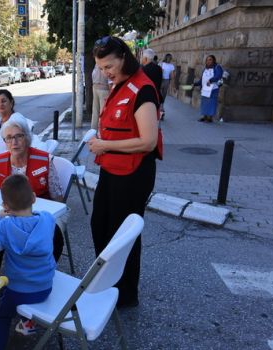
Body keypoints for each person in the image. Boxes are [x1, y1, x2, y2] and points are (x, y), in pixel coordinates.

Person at [87, 36, 163, 309]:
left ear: (124, 57)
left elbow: (148, 141)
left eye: (109, 66)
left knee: (123, 235)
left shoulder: (143, 88)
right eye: (101, 68)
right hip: (112, 169)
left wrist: (105, 144)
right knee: (100, 224)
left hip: (133, 174)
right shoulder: (120, 84)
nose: (105, 72)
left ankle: (125, 293)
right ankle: (107, 281)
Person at [0, 174, 56, 350]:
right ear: (34, 198)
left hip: (17, 289)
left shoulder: (6, 227)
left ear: (6, 206)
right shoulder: (47, 219)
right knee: (22, 303)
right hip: (45, 286)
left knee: (2, 315)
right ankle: (28, 322)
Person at [193, 55, 224, 123]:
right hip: (205, 89)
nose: (208, 61)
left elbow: (218, 75)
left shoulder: (217, 67)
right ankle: (204, 116)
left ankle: (210, 118)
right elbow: (202, 80)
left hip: (213, 89)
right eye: (207, 60)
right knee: (204, 103)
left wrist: (211, 80)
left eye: (210, 60)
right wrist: (195, 84)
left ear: (213, 60)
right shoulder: (205, 69)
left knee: (211, 102)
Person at [91, 65, 111, 129]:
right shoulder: (106, 63)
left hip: (95, 87)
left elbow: (93, 75)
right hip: (104, 89)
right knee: (103, 112)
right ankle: (102, 130)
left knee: (95, 111)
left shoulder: (96, 65)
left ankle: (93, 130)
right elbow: (109, 80)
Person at [159, 53, 176, 119]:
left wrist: (173, 86)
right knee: (160, 97)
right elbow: (158, 72)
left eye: (170, 58)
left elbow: (172, 77)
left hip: (166, 81)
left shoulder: (171, 66)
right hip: (161, 81)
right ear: (166, 58)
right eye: (168, 58)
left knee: (163, 97)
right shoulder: (161, 64)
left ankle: (161, 111)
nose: (169, 59)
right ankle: (160, 110)